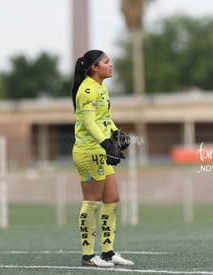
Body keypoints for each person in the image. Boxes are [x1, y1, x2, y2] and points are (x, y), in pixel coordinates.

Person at [71, 49, 133, 267]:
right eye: (106, 62)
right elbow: (89, 123)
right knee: (92, 203)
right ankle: (88, 256)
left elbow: (103, 118)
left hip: (100, 150)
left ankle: (108, 252)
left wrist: (117, 133)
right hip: (89, 152)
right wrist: (107, 145)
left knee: (112, 200)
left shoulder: (101, 87)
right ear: (94, 67)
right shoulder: (87, 90)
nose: (111, 64)